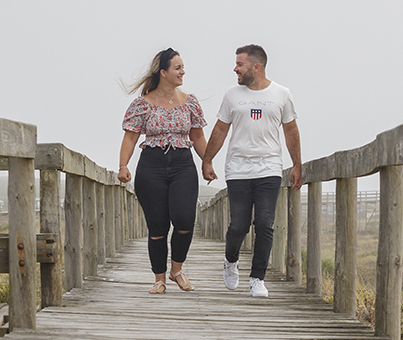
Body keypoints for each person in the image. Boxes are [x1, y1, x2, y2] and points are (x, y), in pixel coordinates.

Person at [201, 44, 301, 298]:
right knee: (239, 226)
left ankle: (257, 278)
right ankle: (230, 260)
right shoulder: (232, 94)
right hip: (238, 168)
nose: (235, 68)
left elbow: (290, 131)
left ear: (256, 66)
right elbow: (221, 129)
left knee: (265, 224)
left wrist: (297, 164)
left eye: (240, 64)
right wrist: (207, 160)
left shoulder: (282, 94)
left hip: (268, 167)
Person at [118, 48, 208, 294]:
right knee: (157, 225)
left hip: (182, 163)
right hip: (152, 165)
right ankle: (159, 278)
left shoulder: (190, 102)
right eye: (178, 67)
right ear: (163, 72)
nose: (183, 72)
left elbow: (197, 136)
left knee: (184, 219)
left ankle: (176, 269)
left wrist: (207, 162)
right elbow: (130, 139)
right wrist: (123, 165)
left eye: (182, 67)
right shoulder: (141, 104)